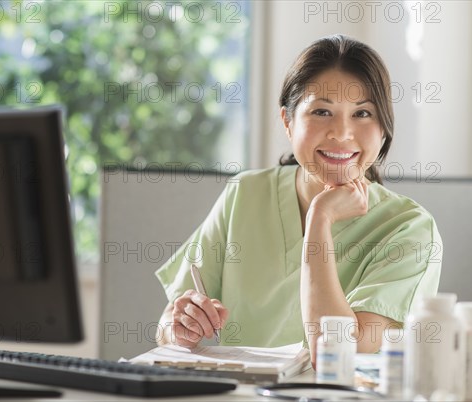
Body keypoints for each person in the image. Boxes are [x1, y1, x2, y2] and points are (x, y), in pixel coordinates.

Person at [154, 34, 442, 366]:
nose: (342, 133)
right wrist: (178, 328)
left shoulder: (409, 228)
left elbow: (337, 350)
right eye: (322, 111)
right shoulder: (245, 194)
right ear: (288, 122)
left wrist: (320, 219)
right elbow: (168, 326)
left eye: (362, 114)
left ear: (384, 129)